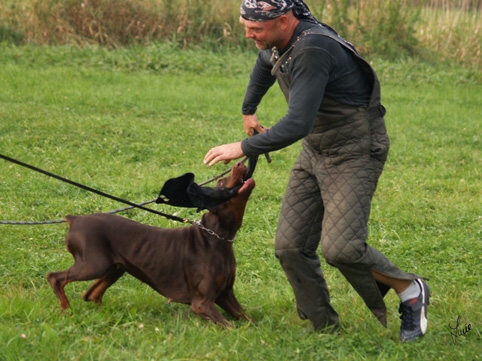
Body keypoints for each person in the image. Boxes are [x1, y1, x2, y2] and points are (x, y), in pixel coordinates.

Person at [203, 0, 429, 342]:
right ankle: (324, 327)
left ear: (283, 20)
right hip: (316, 149)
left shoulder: (312, 48)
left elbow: (297, 122)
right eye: (245, 27)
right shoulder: (281, 41)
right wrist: (249, 110)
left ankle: (410, 290)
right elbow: (265, 63)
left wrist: (243, 147)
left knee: (342, 248)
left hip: (355, 150)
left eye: (256, 29)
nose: (249, 35)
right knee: (290, 246)